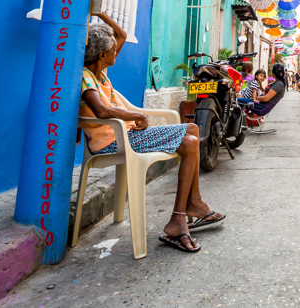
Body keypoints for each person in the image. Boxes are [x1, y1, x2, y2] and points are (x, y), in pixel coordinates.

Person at [79, 13, 224, 254]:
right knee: (191, 134)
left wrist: (99, 14)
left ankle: (184, 213)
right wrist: (135, 116)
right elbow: (101, 110)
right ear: (103, 54)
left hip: (126, 137)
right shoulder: (86, 76)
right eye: (113, 50)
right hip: (112, 143)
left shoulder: (100, 72)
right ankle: (188, 210)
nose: (117, 51)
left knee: (191, 138)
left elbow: (122, 35)